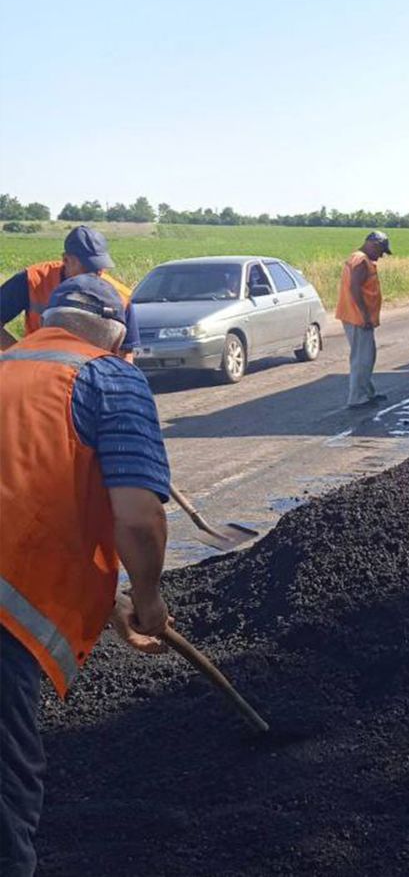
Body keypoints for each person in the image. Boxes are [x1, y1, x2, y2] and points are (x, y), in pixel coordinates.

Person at [0, 276, 172, 875]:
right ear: (120, 335)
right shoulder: (107, 377)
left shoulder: (7, 365)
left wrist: (108, 604)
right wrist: (148, 597)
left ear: (44, 319)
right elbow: (138, 516)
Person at [0, 225, 140, 355]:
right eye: (87, 267)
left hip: (94, 377)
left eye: (99, 267)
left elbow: (126, 353)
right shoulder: (32, 280)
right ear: (66, 260)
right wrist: (21, 356)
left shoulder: (120, 296)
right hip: (40, 373)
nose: (95, 273)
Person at [335, 230, 391, 409]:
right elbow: (354, 288)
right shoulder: (361, 261)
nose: (381, 255)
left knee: (367, 356)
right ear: (373, 244)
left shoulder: (358, 258)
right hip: (358, 318)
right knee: (362, 359)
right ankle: (358, 399)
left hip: (357, 316)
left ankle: (367, 393)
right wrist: (365, 315)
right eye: (381, 250)